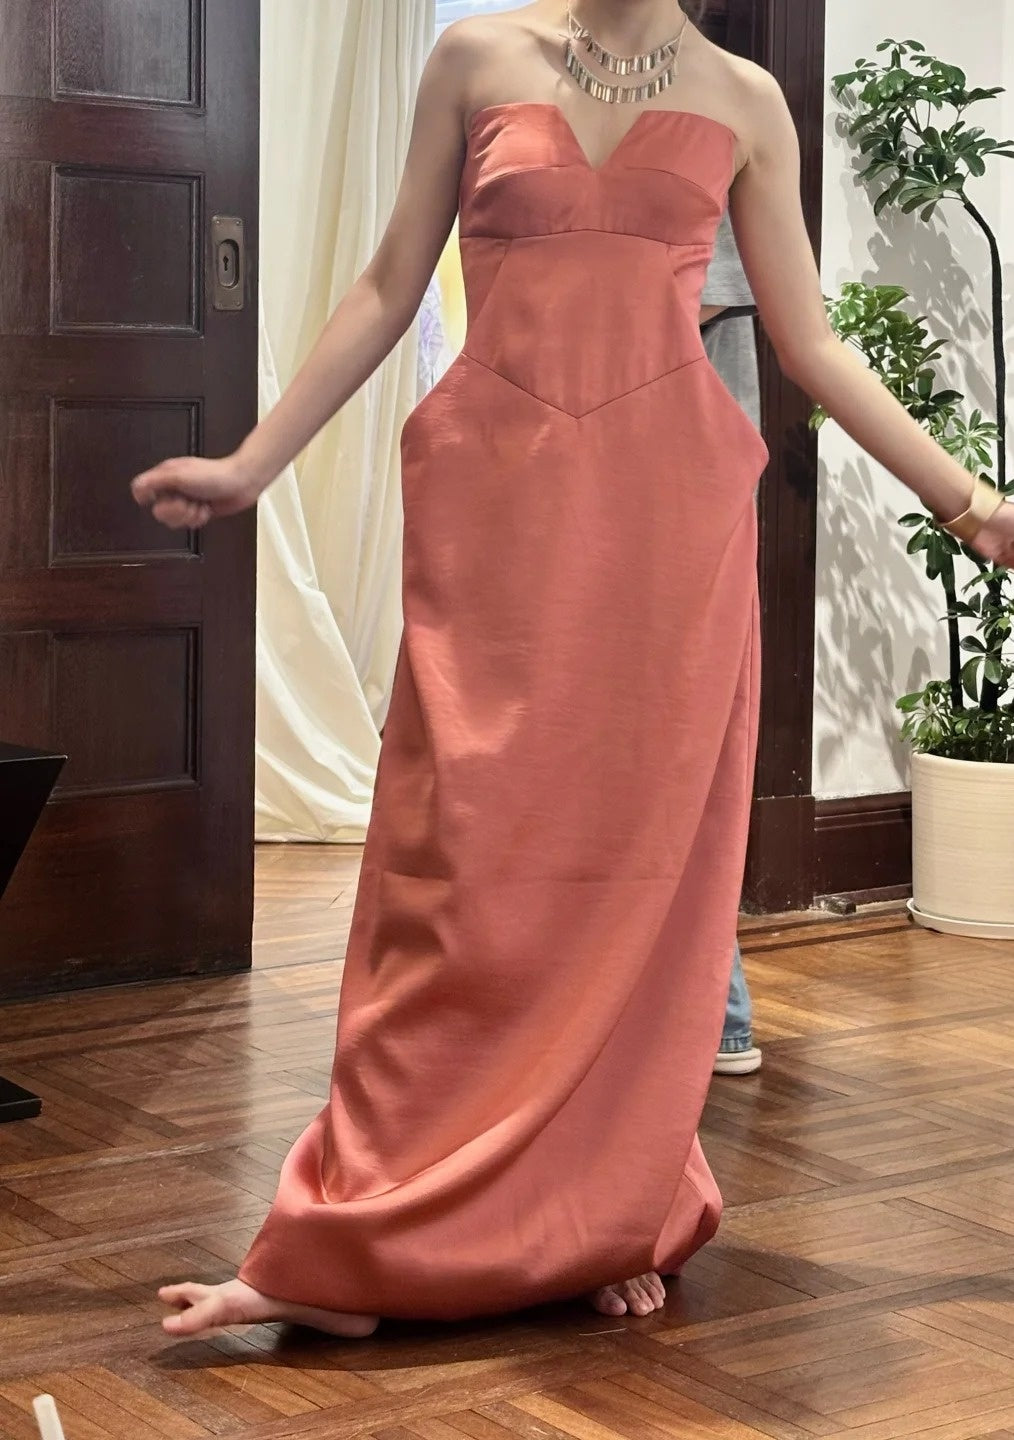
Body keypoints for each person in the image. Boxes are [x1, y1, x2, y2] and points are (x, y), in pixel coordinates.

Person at [132, 0, 1014, 1335]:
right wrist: (254, 464)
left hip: (667, 524)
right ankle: (360, 1229)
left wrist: (971, 505)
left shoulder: (743, 99)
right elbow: (387, 288)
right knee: (452, 863)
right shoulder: (475, 58)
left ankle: (601, 1206)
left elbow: (811, 342)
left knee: (637, 877)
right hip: (495, 503)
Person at [700, 213, 763, 1078]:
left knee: (683, 742)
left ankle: (717, 1011)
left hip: (678, 471)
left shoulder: (719, 139)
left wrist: (970, 507)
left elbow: (701, 302)